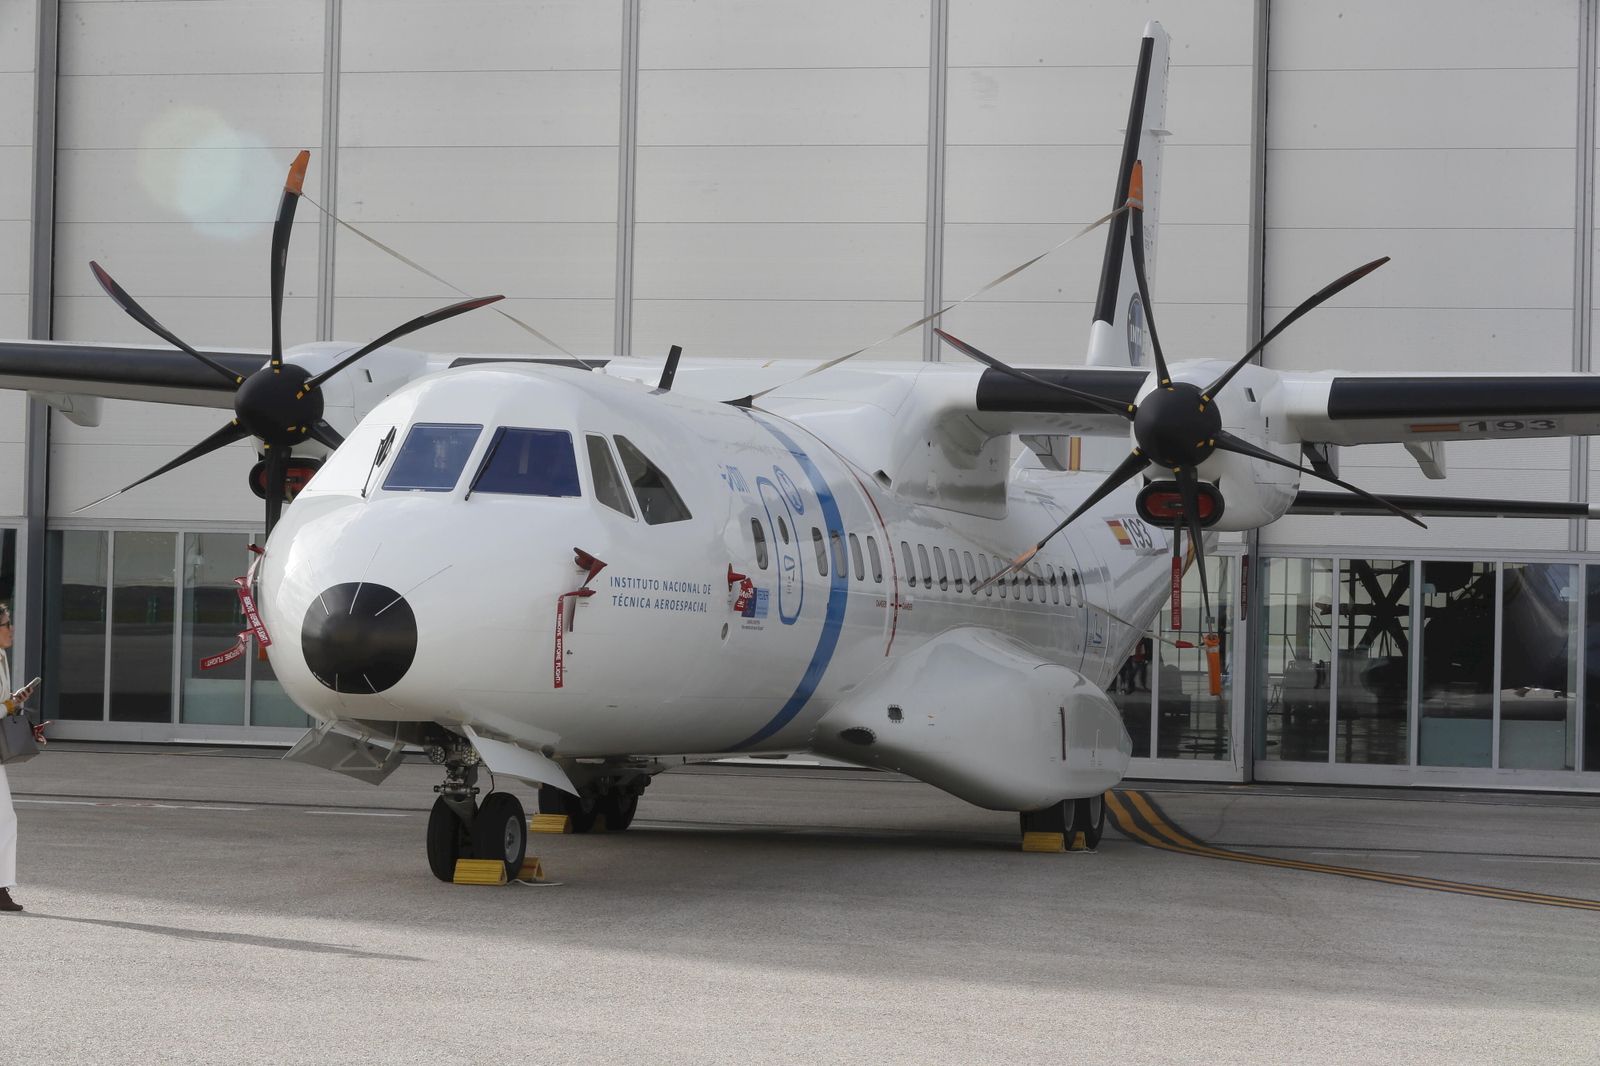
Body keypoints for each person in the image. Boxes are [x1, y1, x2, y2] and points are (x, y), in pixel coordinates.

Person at [1, 600, 43, 914]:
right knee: (4, 820)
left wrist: (16, 706)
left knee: (5, 820)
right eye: (6, 624)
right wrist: (11, 706)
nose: (11, 630)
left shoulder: (1, 657)